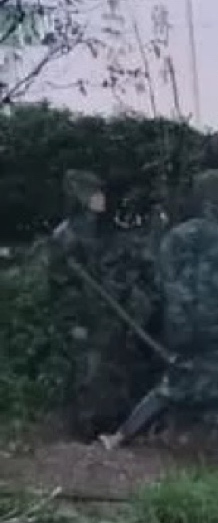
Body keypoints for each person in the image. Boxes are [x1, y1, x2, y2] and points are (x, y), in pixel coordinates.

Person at [107, 167, 218, 470]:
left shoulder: (174, 238)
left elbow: (159, 283)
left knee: (174, 384)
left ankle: (119, 437)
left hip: (182, 329)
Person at [44, 171, 134, 439]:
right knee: (87, 372)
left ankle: (110, 424)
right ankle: (84, 430)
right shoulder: (65, 236)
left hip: (108, 313)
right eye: (95, 193)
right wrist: (73, 322)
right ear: (81, 197)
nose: (102, 199)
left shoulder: (102, 232)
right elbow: (61, 286)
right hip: (85, 315)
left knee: (111, 369)